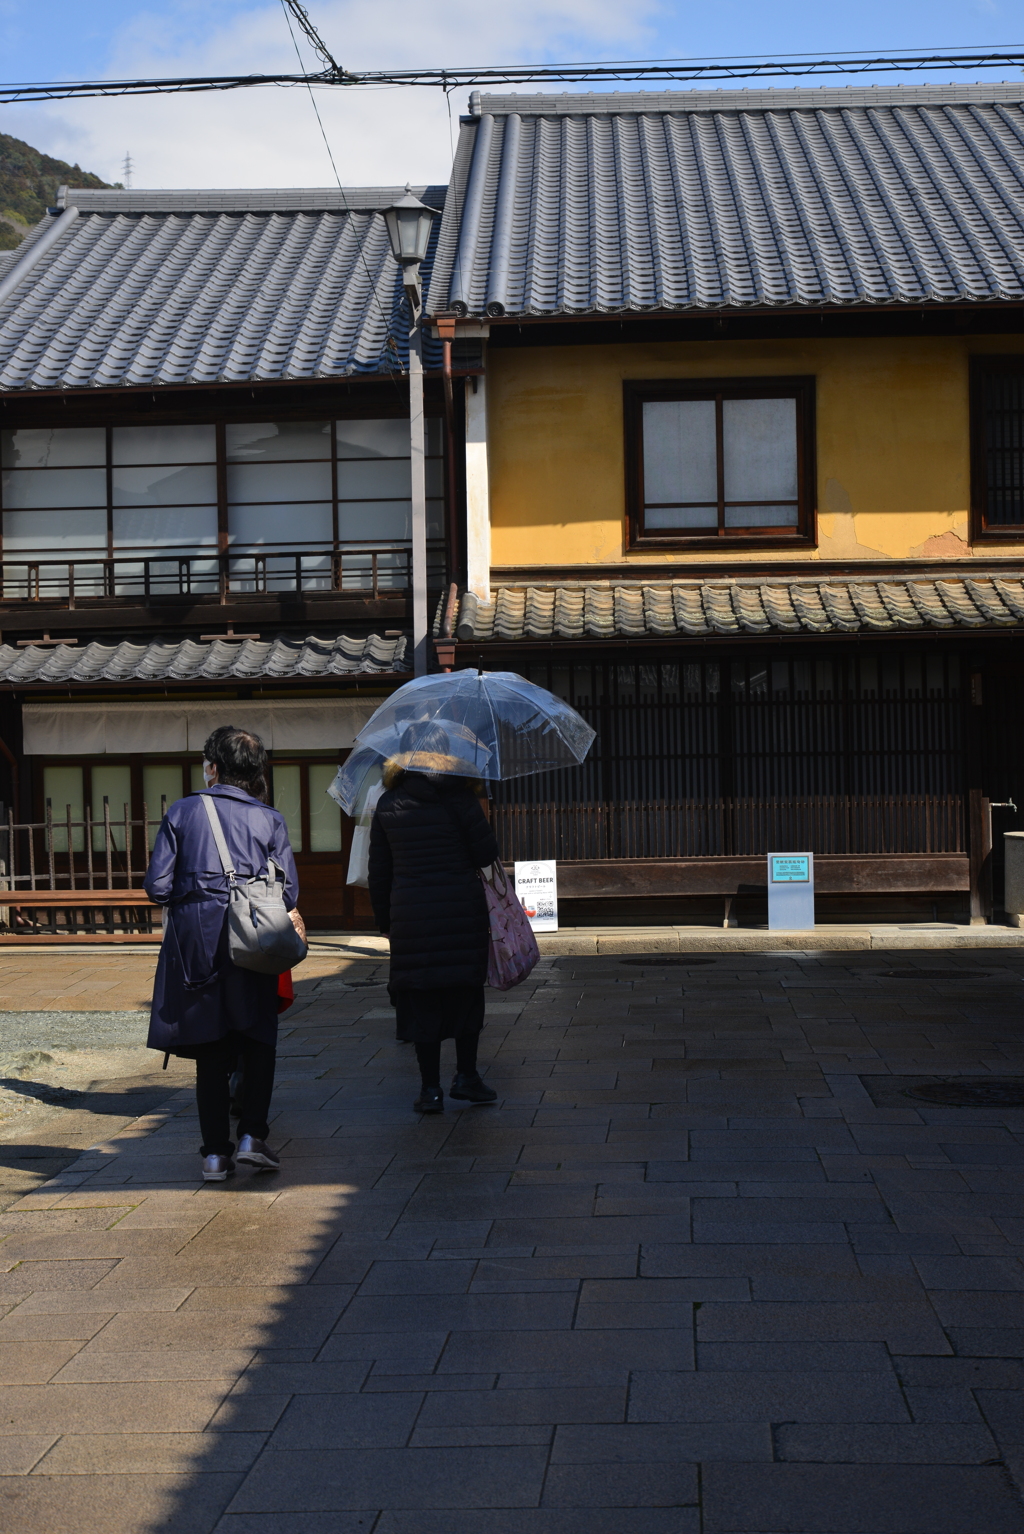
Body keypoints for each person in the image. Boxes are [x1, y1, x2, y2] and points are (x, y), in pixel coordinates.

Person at [145, 725, 302, 1182]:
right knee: (257, 1035)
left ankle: (215, 1155)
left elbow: (156, 887)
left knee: (211, 1047)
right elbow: (288, 892)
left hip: (196, 941)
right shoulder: (269, 819)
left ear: (212, 768)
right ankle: (253, 1135)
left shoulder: (182, 811)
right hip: (252, 936)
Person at [368, 721, 500, 1113]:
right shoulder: (461, 799)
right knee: (465, 992)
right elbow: (485, 854)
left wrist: (386, 921)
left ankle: (430, 1090)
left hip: (412, 917)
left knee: (422, 999)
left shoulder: (388, 804)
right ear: (446, 753)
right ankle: (467, 1077)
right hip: (461, 911)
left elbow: (380, 872)